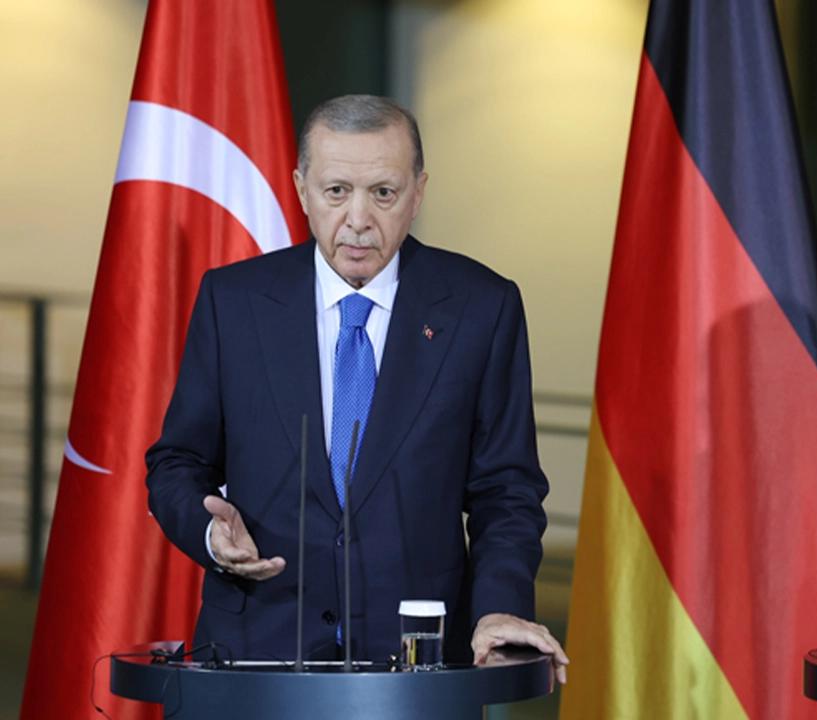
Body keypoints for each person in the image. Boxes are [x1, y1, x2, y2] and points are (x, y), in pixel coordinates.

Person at [146, 94, 568, 682]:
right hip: (258, 652)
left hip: (419, 660)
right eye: (337, 191)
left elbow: (507, 488)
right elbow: (177, 462)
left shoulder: (481, 307)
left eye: (384, 193)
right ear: (302, 190)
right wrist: (212, 534)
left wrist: (500, 606)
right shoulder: (233, 301)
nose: (359, 219)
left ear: (418, 193)